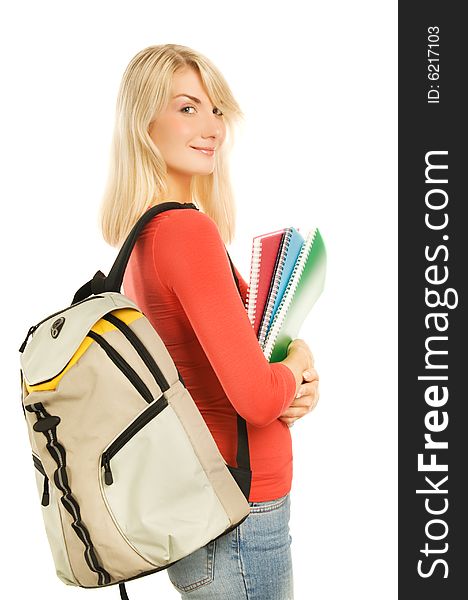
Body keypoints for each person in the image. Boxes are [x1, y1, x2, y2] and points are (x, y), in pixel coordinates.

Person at [99, 43, 320, 600]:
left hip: (210, 513)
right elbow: (254, 396)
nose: (212, 126)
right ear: (143, 123)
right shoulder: (184, 232)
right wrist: (297, 365)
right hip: (240, 520)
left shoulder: (146, 236)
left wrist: (290, 382)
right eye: (187, 107)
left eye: (216, 108)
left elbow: (223, 382)